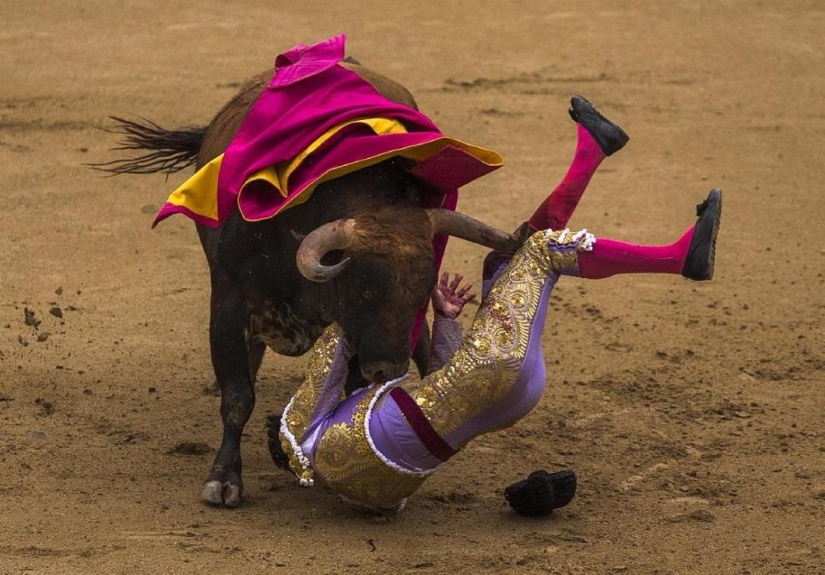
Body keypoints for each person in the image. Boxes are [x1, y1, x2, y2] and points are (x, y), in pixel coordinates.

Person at [267, 96, 722, 511]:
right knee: (542, 251)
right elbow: (335, 346)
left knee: (506, 258)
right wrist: (359, 298)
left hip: (508, 399)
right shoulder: (313, 432)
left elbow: (440, 391)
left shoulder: (377, 487)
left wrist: (445, 320)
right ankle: (678, 258)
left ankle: (591, 151)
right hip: (491, 373)